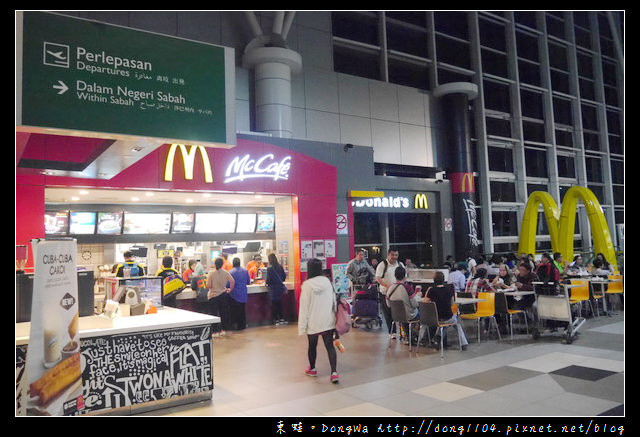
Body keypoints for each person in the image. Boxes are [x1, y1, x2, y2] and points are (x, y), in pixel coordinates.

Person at [298, 258, 339, 384]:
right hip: (327, 319)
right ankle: (334, 373)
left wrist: (302, 327)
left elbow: (304, 307)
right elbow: (334, 301)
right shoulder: (327, 281)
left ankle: (313, 369)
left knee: (312, 346)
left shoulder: (307, 285)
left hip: (313, 322)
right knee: (330, 346)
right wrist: (335, 316)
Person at [422, 271, 468, 351]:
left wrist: (427, 292)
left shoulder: (431, 290)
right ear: (443, 280)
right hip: (448, 317)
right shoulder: (449, 289)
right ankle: (463, 343)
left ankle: (438, 338)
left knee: (443, 323)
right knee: (456, 323)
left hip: (436, 318)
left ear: (434, 280)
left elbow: (424, 303)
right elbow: (452, 303)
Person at [385, 266, 420, 343]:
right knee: (420, 312)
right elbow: (415, 304)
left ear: (395, 276)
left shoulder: (389, 288)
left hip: (396, 316)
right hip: (409, 316)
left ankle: (408, 336)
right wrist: (418, 295)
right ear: (405, 276)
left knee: (403, 316)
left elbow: (388, 305)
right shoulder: (407, 288)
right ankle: (418, 336)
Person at [375, 248, 404, 335]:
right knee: (388, 313)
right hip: (385, 293)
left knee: (399, 312)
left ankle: (402, 332)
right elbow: (378, 278)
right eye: (392, 255)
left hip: (397, 293)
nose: (394, 257)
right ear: (388, 255)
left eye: (396, 255)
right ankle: (392, 332)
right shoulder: (382, 265)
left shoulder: (400, 264)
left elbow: (404, 276)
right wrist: (387, 286)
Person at [206, 257, 235, 337]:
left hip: (213, 296)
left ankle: (215, 332)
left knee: (214, 314)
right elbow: (232, 281)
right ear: (222, 264)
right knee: (223, 313)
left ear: (215, 264)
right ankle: (223, 330)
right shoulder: (225, 272)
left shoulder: (211, 273)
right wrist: (230, 289)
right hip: (223, 295)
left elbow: (208, 285)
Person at [229, 258, 250, 331]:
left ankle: (235, 325)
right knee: (242, 310)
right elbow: (248, 282)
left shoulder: (231, 272)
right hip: (243, 293)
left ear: (233, 263)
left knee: (235, 311)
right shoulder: (245, 271)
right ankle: (242, 325)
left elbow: (228, 284)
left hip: (234, 295)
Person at [266, 253, 287, 325]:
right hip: (280, 288)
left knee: (274, 304)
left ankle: (275, 319)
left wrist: (266, 283)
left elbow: (268, 280)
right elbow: (284, 277)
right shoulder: (280, 267)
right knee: (280, 303)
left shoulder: (269, 268)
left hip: (273, 289)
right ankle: (281, 318)